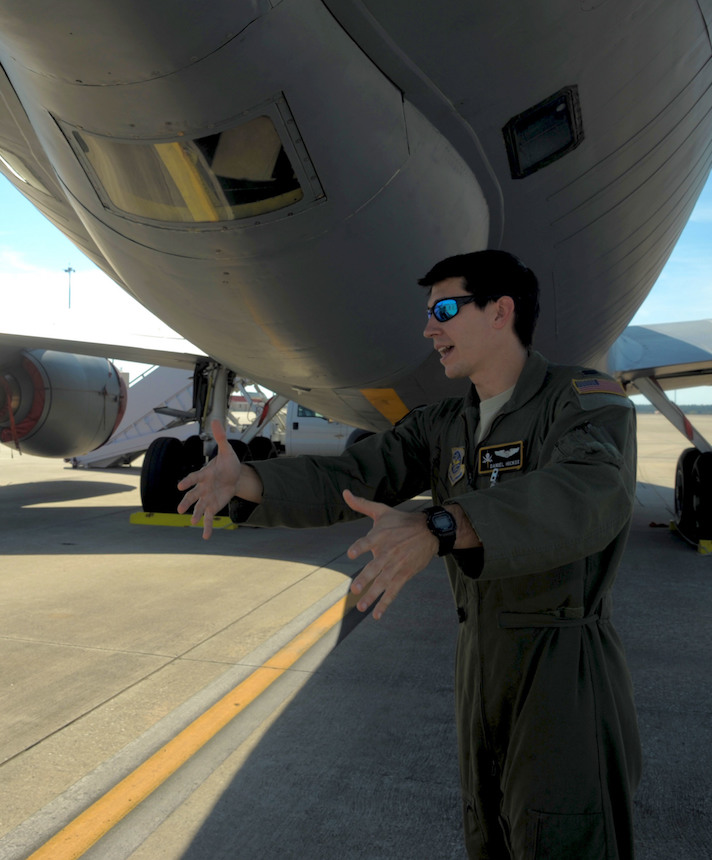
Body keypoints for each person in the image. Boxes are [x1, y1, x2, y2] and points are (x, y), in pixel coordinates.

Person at [178, 250, 641, 859]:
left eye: (445, 310)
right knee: (492, 832)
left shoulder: (583, 400)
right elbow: (354, 473)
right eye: (428, 314)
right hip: (478, 662)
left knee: (565, 833)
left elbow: (590, 492)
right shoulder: (445, 423)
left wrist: (441, 525)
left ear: (501, 312)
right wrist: (250, 483)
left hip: (563, 669)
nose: (429, 329)